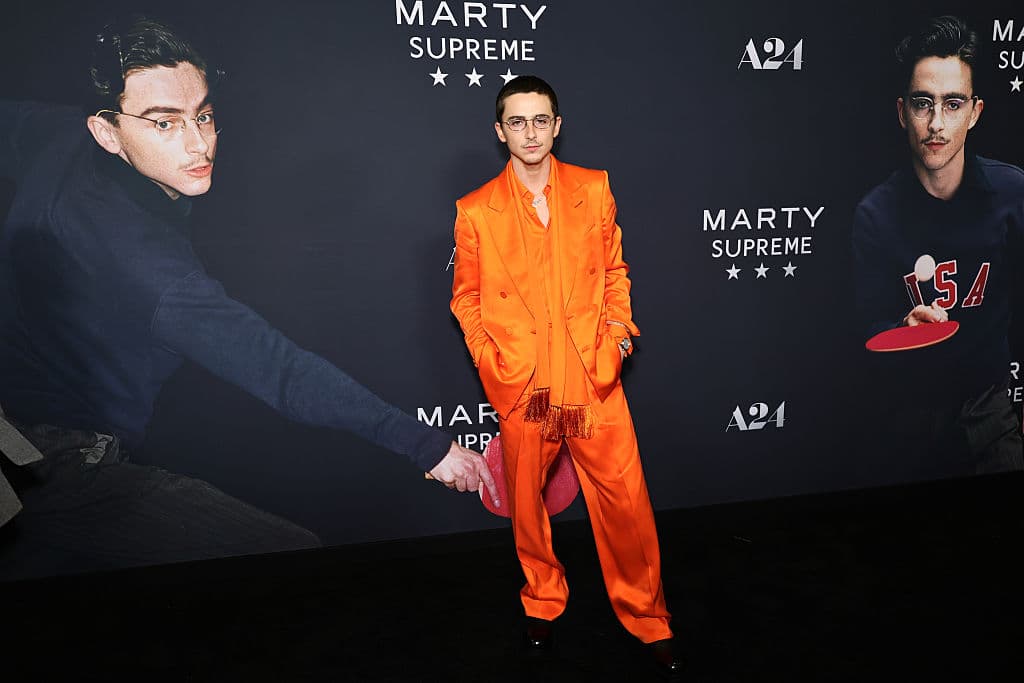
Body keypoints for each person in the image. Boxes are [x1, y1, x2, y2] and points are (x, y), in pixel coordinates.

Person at [0, 16, 496, 579]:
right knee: (291, 561)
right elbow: (281, 371)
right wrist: (428, 448)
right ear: (108, 132)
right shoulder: (154, 273)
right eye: (164, 123)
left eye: (203, 115)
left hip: (20, 440)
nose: (198, 144)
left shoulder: (54, 137)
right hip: (58, 469)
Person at [450, 75, 681, 675]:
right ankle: (542, 601)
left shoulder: (594, 189)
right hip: (527, 386)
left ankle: (648, 618)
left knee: (626, 504)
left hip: (592, 378)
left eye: (541, 119)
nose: (531, 132)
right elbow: (465, 298)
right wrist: (492, 360)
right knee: (528, 506)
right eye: (517, 122)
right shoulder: (474, 212)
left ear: (558, 125)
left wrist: (619, 336)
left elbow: (614, 272)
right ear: (501, 132)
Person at [852, 15, 1024, 476]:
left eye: (952, 105)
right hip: (906, 420)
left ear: (975, 112)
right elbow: (866, 329)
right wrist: (901, 327)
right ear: (902, 112)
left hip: (989, 412)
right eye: (923, 103)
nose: (935, 124)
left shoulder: (1013, 194)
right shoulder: (874, 214)